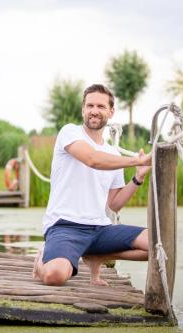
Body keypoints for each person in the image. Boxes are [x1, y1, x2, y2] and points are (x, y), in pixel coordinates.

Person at [32, 84, 151, 286]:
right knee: (56, 276)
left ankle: (97, 256)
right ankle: (40, 263)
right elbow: (92, 159)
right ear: (83, 109)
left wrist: (137, 178)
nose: (94, 110)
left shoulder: (113, 155)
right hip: (64, 226)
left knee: (156, 244)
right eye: (90, 105)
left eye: (101, 106)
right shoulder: (69, 133)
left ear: (111, 112)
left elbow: (113, 204)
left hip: (100, 228)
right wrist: (137, 161)